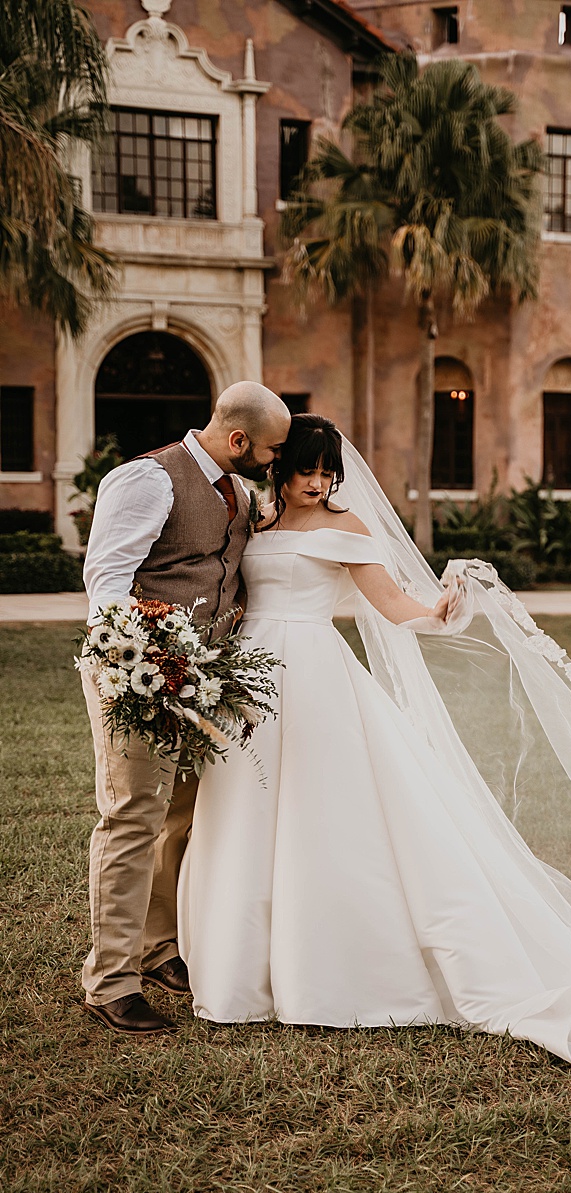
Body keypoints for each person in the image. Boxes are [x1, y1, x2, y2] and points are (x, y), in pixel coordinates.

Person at [178, 415, 571, 1091]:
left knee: (319, 814)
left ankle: (325, 970)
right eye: (307, 469)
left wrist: (439, 612)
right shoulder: (255, 522)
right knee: (243, 812)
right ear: (279, 466)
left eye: (329, 472)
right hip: (248, 679)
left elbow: (392, 604)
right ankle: (239, 969)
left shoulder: (347, 527)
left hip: (317, 679)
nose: (319, 483)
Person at [78, 383, 292, 1035]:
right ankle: (111, 980)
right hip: (137, 673)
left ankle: (158, 946)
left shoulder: (240, 493)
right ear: (238, 440)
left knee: (179, 815)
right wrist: (146, 663)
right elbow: (106, 583)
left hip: (204, 681)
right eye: (272, 450)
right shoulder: (148, 480)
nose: (275, 461)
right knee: (133, 816)